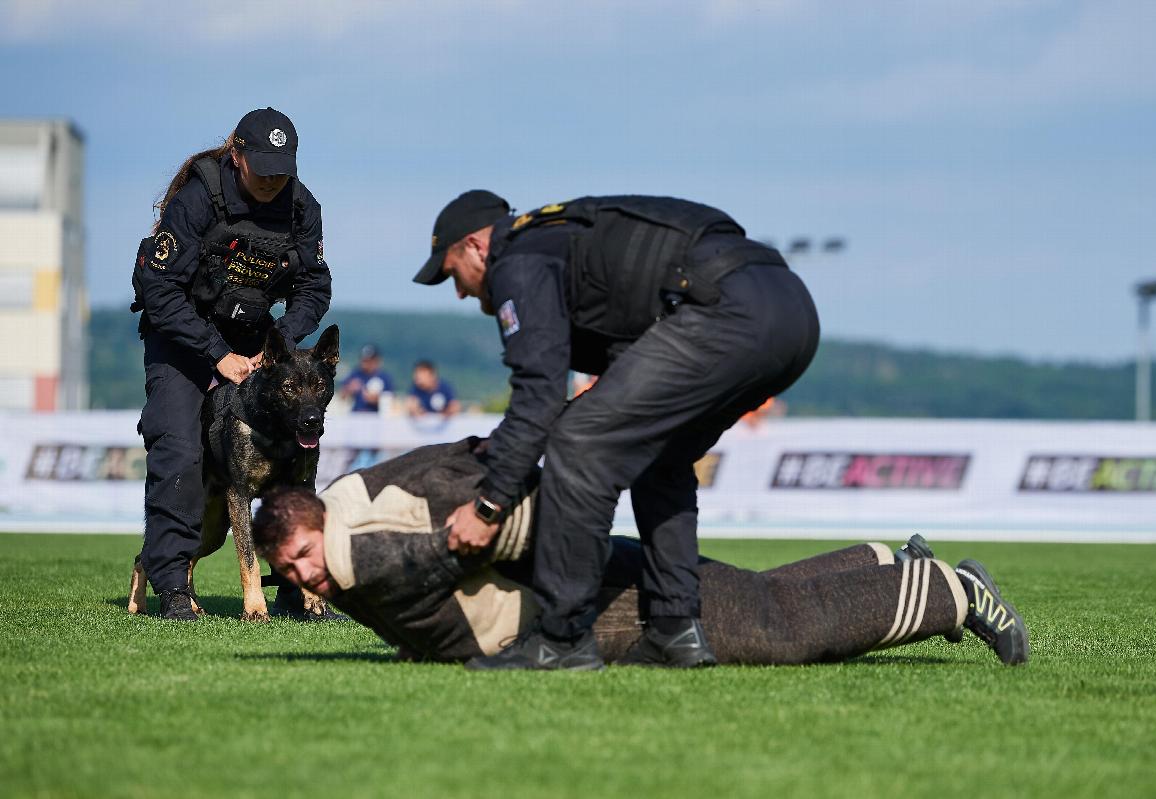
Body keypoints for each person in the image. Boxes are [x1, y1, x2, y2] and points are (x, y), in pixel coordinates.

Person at [411, 191, 821, 669]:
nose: (459, 293)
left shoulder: (518, 261)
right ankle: (674, 630)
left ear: (477, 246)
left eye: (452, 273)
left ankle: (561, 639)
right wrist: (514, 444)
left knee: (579, 446)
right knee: (659, 455)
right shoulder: (566, 243)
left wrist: (488, 506)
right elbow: (614, 390)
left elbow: (539, 396)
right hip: (791, 314)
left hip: (725, 309)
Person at [250, 439, 1031, 668]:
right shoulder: (354, 506)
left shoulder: (361, 537)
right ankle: (887, 561)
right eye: (289, 571)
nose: (307, 575)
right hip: (579, 586)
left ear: (321, 520)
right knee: (750, 592)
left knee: (775, 628)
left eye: (305, 554)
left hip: (587, 599)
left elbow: (487, 513)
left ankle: (951, 592)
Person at [130, 107, 332, 621]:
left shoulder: (302, 207)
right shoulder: (197, 199)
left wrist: (280, 342)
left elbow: (313, 287)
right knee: (180, 448)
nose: (271, 181)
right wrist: (216, 354)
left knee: (294, 453)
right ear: (237, 154)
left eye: (280, 172)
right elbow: (160, 289)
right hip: (183, 337)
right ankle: (173, 586)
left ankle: (297, 589)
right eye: (261, 169)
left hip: (255, 341)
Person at [340, 344, 395, 413]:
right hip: (357, 413)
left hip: (376, 415)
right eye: (363, 360)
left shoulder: (385, 377)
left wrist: (376, 399)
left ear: (376, 360)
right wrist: (349, 389)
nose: (365, 364)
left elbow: (391, 401)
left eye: (369, 361)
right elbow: (342, 396)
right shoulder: (356, 374)